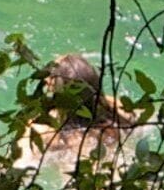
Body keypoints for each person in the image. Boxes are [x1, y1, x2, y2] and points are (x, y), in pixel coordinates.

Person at [16, 52, 149, 178]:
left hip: (78, 170)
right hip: (120, 162)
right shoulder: (118, 108)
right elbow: (145, 125)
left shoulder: (42, 128)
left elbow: (19, 165)